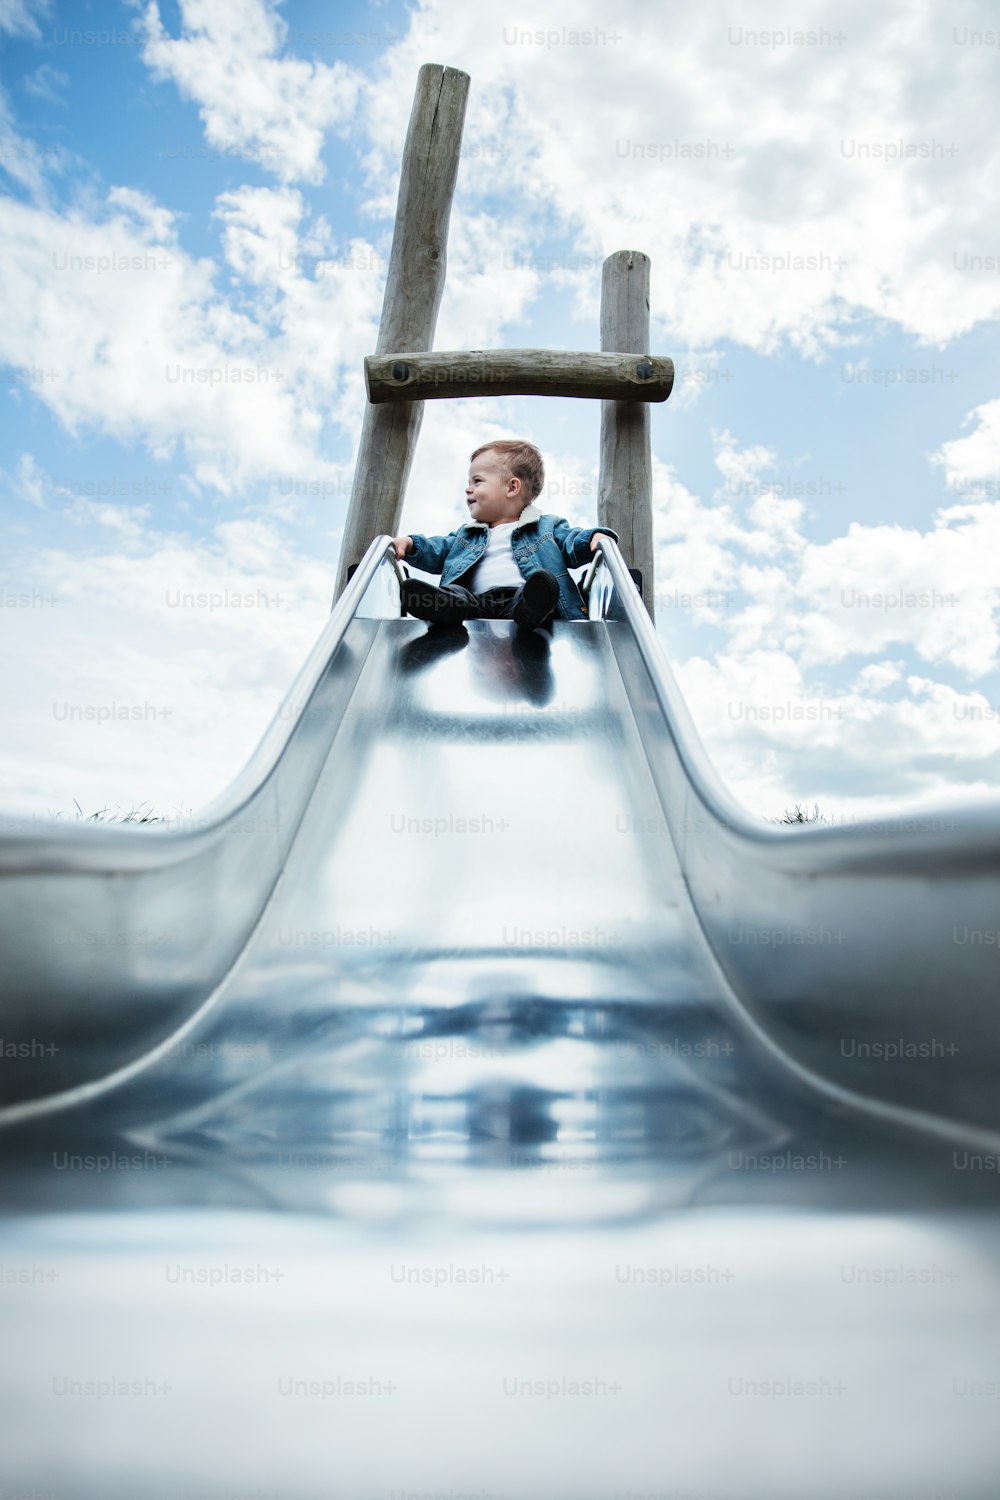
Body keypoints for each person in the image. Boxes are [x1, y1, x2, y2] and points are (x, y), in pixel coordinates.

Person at [392, 439, 618, 630]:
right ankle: (444, 606)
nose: (468, 489)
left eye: (477, 481)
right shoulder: (465, 535)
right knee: (456, 593)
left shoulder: (545, 526)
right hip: (476, 605)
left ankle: (533, 611)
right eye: (469, 482)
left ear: (512, 488)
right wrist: (411, 544)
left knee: (537, 590)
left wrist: (593, 538)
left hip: (520, 599)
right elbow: (437, 549)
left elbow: (570, 540)